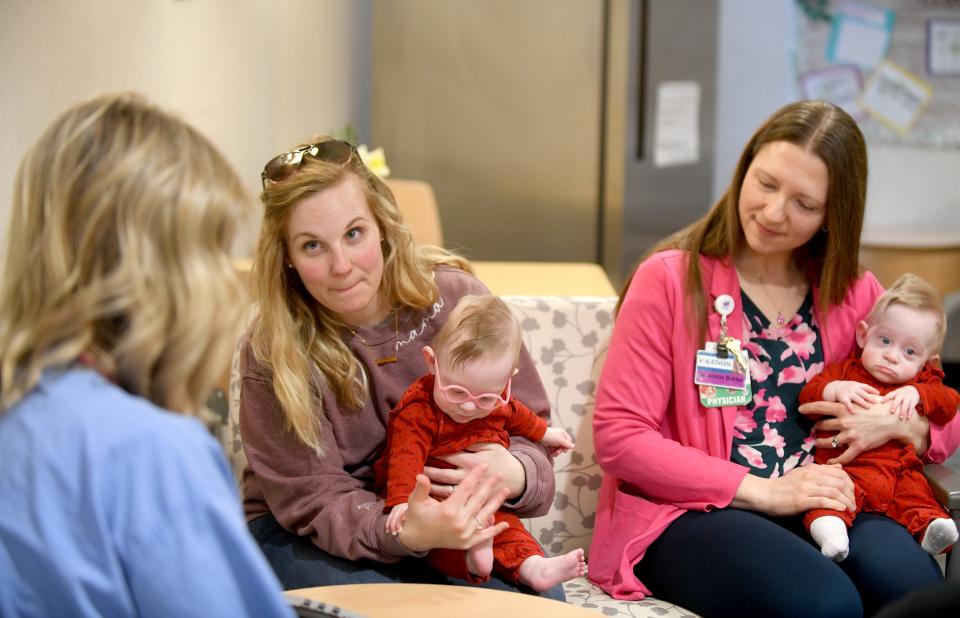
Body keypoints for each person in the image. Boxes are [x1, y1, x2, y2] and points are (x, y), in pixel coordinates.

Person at [589, 100, 960, 617]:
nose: (773, 212)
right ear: (744, 169)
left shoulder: (856, 295)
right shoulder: (672, 279)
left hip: (834, 497)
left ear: (835, 214)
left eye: (805, 204)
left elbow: (944, 422)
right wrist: (766, 492)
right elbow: (621, 437)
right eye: (765, 184)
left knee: (915, 591)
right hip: (696, 510)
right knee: (824, 604)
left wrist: (899, 427)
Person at [0, 94, 291, 617]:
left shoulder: (20, 404)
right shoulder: (151, 452)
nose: (229, 285)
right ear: (164, 275)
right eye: (215, 254)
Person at [240, 137, 565, 599]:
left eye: (354, 234)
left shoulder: (456, 299)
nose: (342, 266)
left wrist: (516, 472)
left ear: (383, 227)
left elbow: (533, 435)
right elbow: (314, 499)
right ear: (287, 257)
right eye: (313, 246)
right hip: (306, 533)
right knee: (417, 609)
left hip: (444, 518)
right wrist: (409, 532)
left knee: (544, 603)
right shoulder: (274, 349)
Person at [373, 294, 585, 590]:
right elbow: (405, 457)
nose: (469, 407)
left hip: (483, 497)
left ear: (508, 381)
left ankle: (534, 567)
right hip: (434, 498)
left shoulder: (499, 400)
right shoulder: (418, 409)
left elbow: (519, 416)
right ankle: (474, 560)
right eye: (457, 392)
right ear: (432, 363)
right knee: (441, 539)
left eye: (485, 397)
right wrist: (401, 503)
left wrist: (546, 434)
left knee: (507, 527)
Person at [802, 273, 959, 562]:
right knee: (829, 496)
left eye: (909, 351)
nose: (891, 356)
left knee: (919, 498)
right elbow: (807, 396)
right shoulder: (846, 372)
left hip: (899, 473)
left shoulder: (923, 382)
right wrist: (834, 388)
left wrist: (919, 394)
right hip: (845, 469)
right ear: (863, 335)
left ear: (928, 362)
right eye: (884, 340)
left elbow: (950, 403)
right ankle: (832, 533)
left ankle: (932, 531)